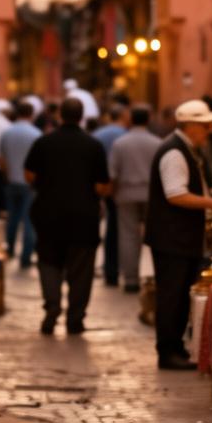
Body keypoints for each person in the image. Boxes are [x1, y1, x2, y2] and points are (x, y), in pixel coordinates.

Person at [144, 99, 212, 370]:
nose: (210, 130)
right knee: (171, 294)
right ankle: (168, 351)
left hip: (179, 236)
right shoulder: (174, 152)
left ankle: (175, 347)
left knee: (177, 292)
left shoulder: (186, 149)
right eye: (206, 125)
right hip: (173, 237)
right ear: (192, 126)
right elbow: (176, 195)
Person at [24, 97, 111, 335]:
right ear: (81, 116)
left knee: (48, 263)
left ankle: (52, 307)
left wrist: (46, 183)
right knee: (81, 271)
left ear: (60, 115)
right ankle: (75, 318)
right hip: (84, 217)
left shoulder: (44, 142)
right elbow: (103, 185)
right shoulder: (93, 145)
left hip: (48, 214)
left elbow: (29, 175)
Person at [108, 104, 161, 293]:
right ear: (148, 119)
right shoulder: (156, 143)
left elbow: (113, 173)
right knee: (154, 235)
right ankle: (155, 275)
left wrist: (113, 193)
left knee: (127, 236)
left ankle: (130, 279)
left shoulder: (120, 143)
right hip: (150, 194)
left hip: (126, 193)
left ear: (131, 119)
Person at [0, 100, 41, 269]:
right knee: (29, 220)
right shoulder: (36, 133)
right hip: (29, 183)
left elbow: (0, 159)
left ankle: (9, 251)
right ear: (32, 114)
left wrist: (7, 175)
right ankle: (25, 257)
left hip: (11, 181)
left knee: (13, 218)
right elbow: (39, 163)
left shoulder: (7, 132)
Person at [93, 104, 129, 286]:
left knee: (110, 230)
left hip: (101, 187)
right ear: (123, 115)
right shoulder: (125, 136)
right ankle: (121, 269)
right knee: (123, 231)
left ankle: (110, 270)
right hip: (121, 189)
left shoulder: (98, 134)